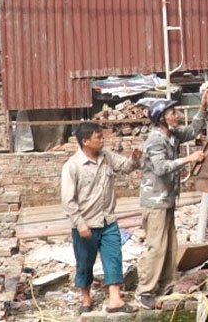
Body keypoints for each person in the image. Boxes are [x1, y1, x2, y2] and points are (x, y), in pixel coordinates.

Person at [136, 87, 208, 310]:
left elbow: (192, 131)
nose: (176, 116)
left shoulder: (172, 134)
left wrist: (203, 107)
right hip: (155, 201)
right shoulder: (155, 139)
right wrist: (188, 158)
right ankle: (145, 291)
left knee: (170, 245)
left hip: (168, 198)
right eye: (172, 113)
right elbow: (161, 168)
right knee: (157, 247)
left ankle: (168, 283)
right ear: (161, 118)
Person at [61, 121, 141, 315]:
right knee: (85, 263)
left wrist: (135, 159)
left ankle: (115, 299)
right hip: (86, 223)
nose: (102, 140)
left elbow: (125, 167)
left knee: (113, 257)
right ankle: (86, 299)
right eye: (98, 137)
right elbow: (67, 200)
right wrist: (80, 223)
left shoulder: (106, 156)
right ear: (85, 141)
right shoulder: (72, 166)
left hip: (107, 221)